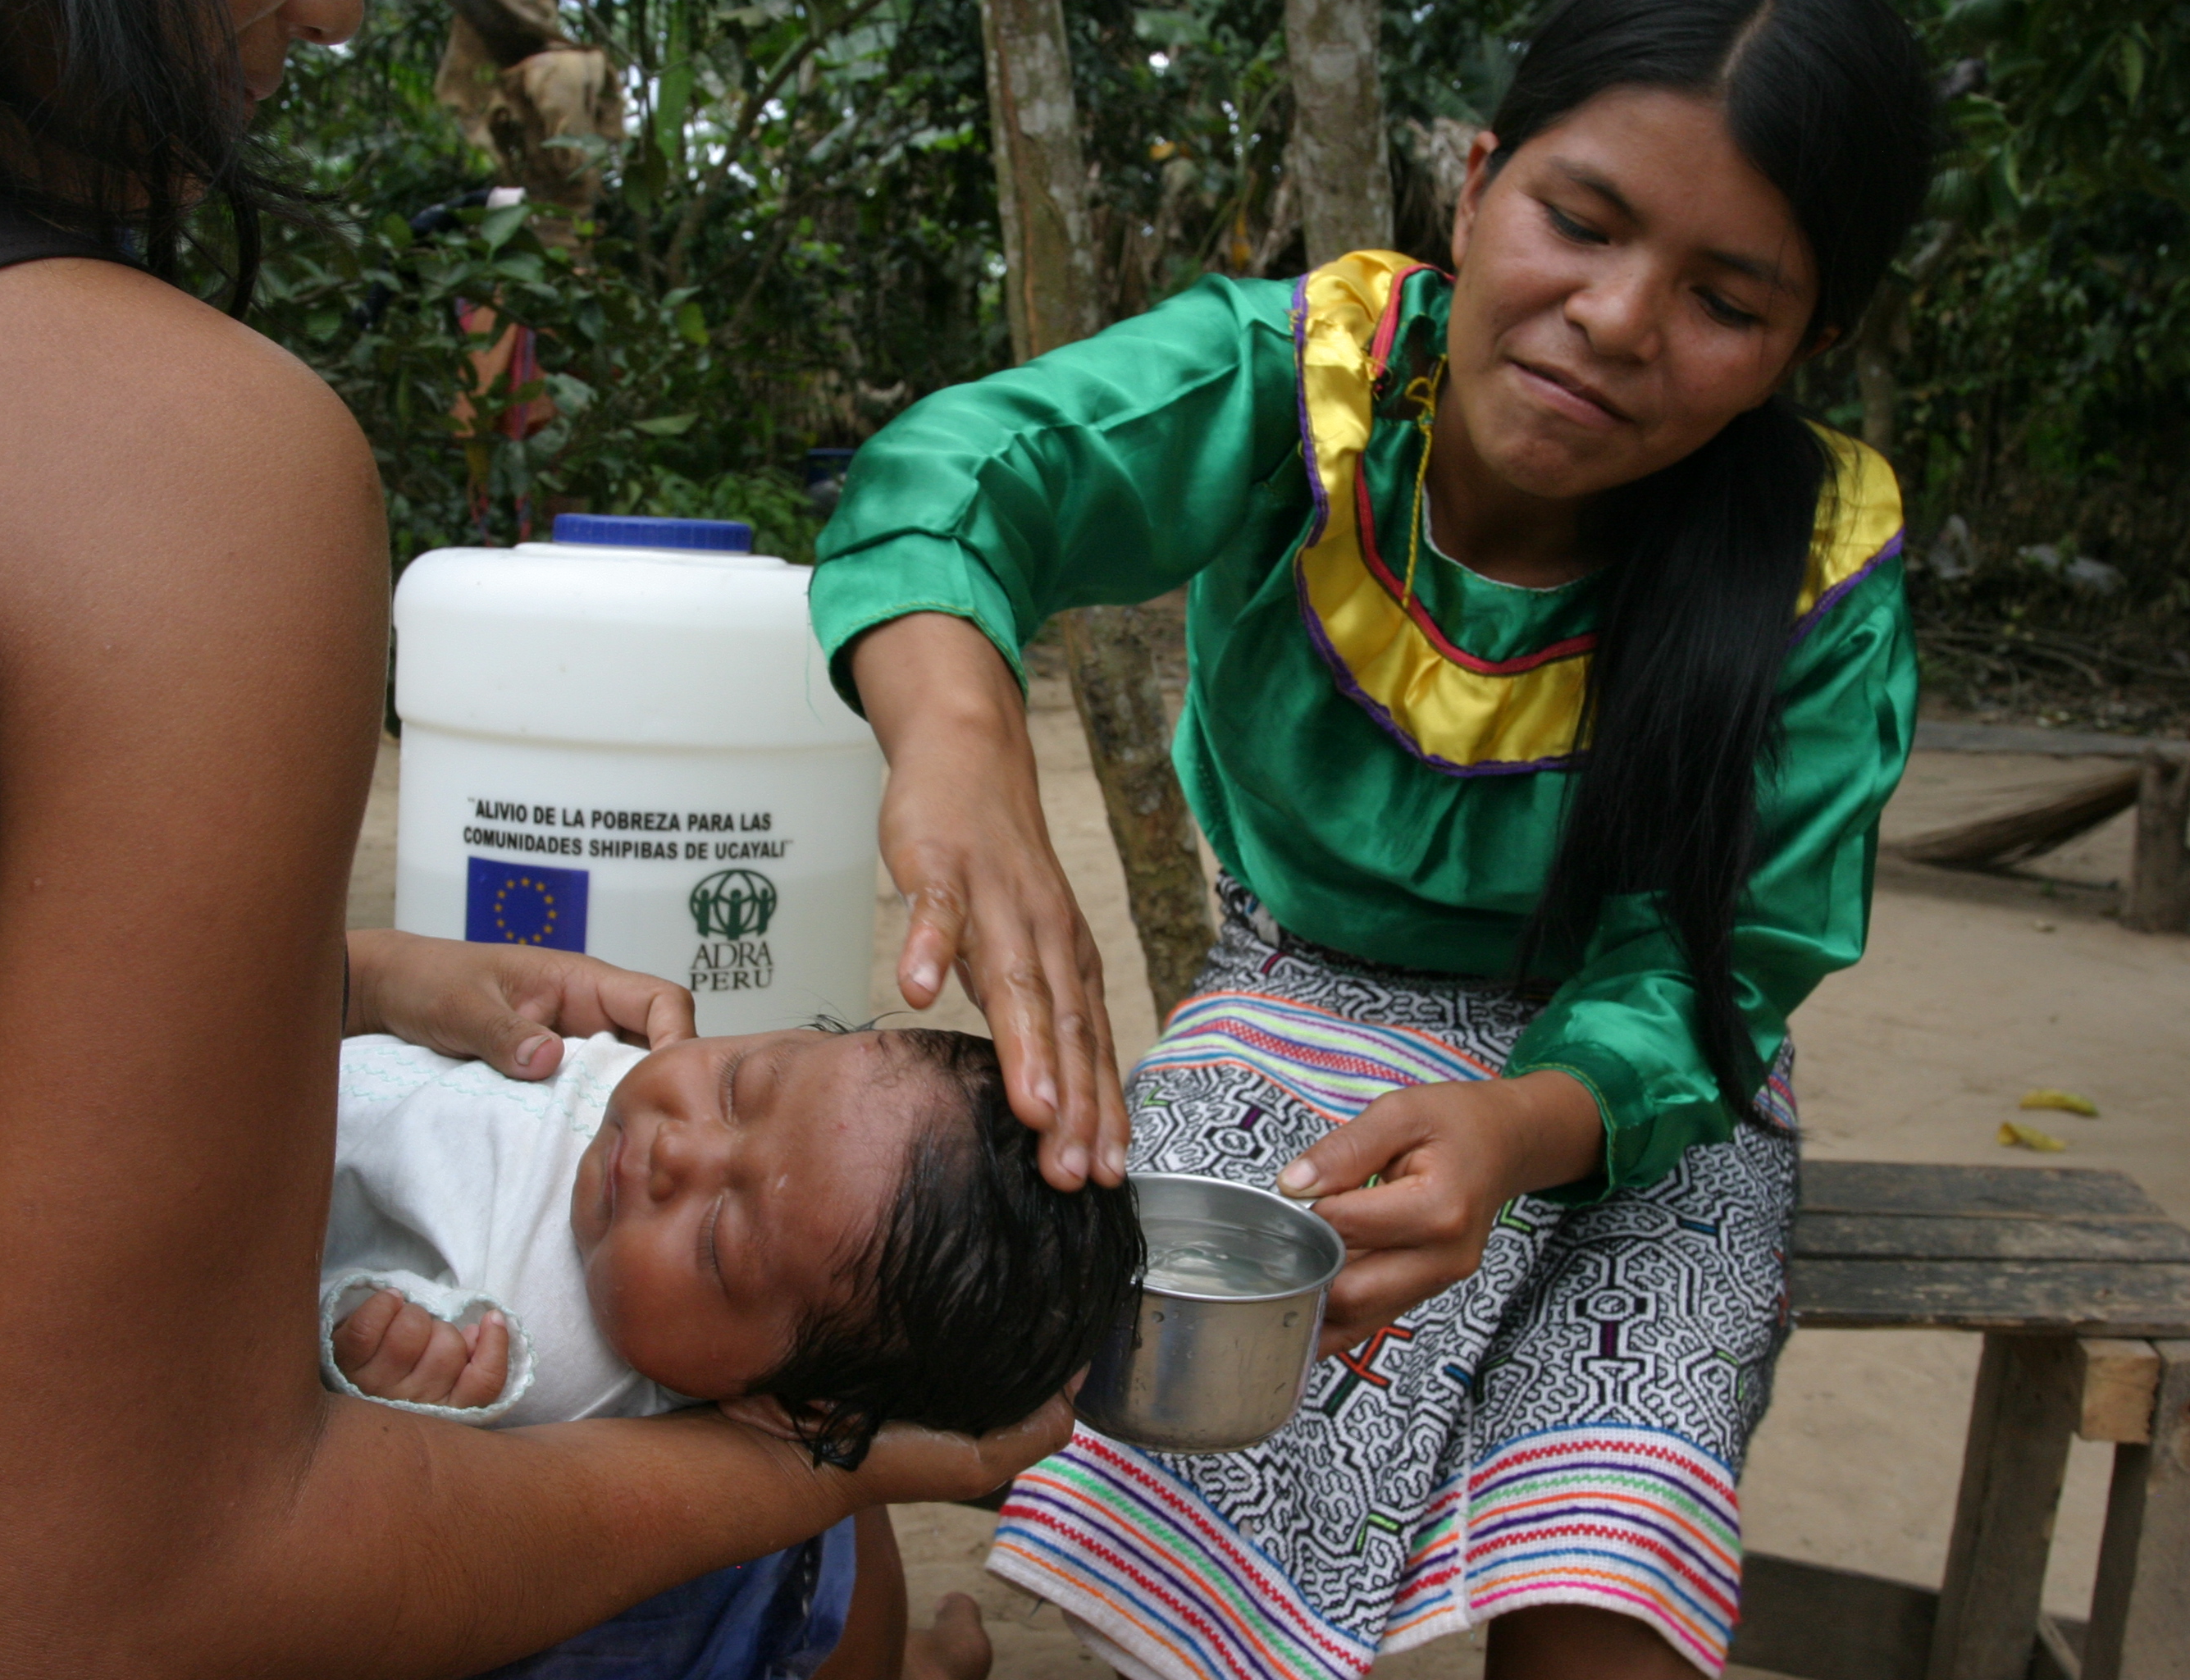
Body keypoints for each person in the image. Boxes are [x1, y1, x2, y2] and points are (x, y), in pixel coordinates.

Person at [0, 5, 1073, 1678]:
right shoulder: (144, 449)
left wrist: (341, 980)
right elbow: (116, 1624)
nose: (335, 14)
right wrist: (834, 1462)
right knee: (786, 1559)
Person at [806, 0, 1933, 1673]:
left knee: (1610, 1537)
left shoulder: (1819, 566)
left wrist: (1523, 1126)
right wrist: (960, 743)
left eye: (1725, 298)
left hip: (1649, 1073)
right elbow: (971, 470)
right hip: (1299, 991)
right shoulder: (1303, 381)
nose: (1617, 320)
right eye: (1583, 219)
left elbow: (1715, 964)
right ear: (1476, 188)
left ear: (1804, 342)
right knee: (1222, 1394)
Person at [315, 1023, 1139, 1678]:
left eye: (719, 1243)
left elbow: (302, 1437)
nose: (679, 1148)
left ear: (779, 1408)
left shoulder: (538, 1364)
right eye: (743, 1086)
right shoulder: (637, 1079)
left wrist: (378, 1356)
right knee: (836, 1501)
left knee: (818, 1512)